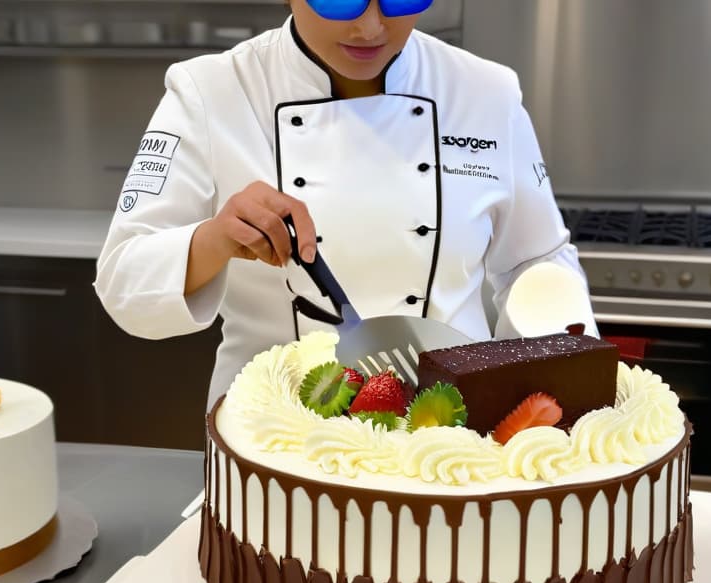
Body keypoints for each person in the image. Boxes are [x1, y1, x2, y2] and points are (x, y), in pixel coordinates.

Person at [95, 0, 598, 409]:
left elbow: (537, 260)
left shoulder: (485, 90)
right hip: (272, 442)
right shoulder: (212, 91)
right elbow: (124, 285)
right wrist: (214, 239)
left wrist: (564, 380)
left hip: (454, 436)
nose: (370, 26)